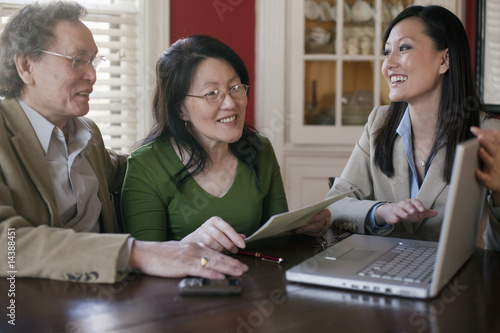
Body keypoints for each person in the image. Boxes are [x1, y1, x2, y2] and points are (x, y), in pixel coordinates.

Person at [0, 1, 247, 284]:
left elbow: (139, 168)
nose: (92, 75)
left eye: (92, 60)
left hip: (104, 303)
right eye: (78, 60)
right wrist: (135, 252)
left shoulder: (87, 135)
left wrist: (201, 138)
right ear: (26, 66)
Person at [121, 34, 331, 254]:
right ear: (180, 109)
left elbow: (277, 244)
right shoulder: (146, 165)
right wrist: (190, 244)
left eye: (235, 87)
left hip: (254, 283)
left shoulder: (260, 149)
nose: (231, 103)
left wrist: (302, 228)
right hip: (182, 287)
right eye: (212, 93)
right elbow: (140, 263)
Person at [325, 5, 500, 250]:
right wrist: (382, 211)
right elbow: (333, 204)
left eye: (404, 48)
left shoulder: (489, 134)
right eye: (387, 52)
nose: (389, 64)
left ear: (444, 60)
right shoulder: (379, 122)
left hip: (459, 282)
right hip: (384, 274)